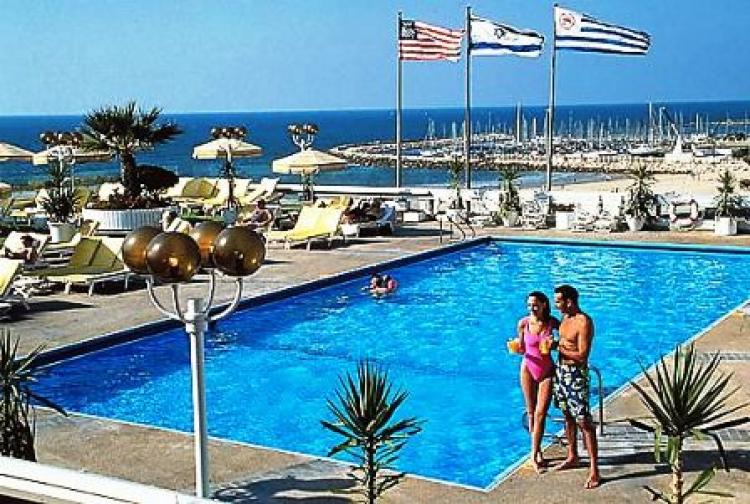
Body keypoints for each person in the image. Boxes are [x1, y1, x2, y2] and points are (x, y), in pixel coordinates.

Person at [552, 284, 600, 489]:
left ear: (569, 301)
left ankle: (595, 470)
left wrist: (557, 347)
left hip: (576, 375)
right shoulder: (564, 319)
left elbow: (582, 355)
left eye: (558, 301)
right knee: (567, 415)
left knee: (584, 422)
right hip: (561, 372)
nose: (556, 305)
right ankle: (573, 456)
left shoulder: (584, 322)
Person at [513, 291, 559, 473]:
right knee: (531, 412)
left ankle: (534, 453)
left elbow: (565, 341)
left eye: (535, 305)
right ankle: (536, 451)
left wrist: (554, 344)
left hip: (546, 370)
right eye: (529, 305)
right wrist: (516, 348)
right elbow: (522, 347)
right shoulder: (523, 323)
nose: (532, 308)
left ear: (544, 305)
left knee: (541, 413)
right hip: (527, 368)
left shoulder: (552, 323)